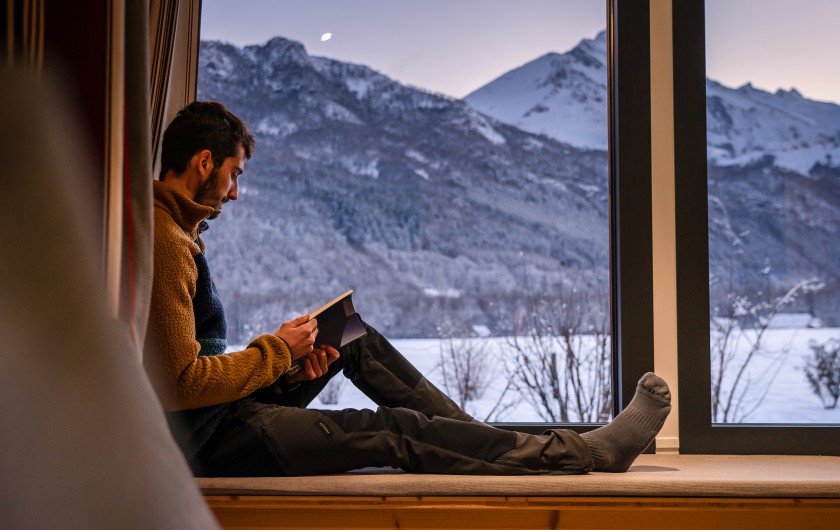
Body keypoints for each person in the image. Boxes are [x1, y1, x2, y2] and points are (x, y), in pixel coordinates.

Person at [144, 100, 672, 477]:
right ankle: (581, 453)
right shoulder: (164, 240)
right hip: (205, 440)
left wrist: (289, 357)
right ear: (204, 162)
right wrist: (278, 350)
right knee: (394, 431)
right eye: (234, 174)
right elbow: (179, 382)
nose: (236, 193)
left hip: (214, 415)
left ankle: (491, 445)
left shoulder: (175, 232)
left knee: (349, 333)